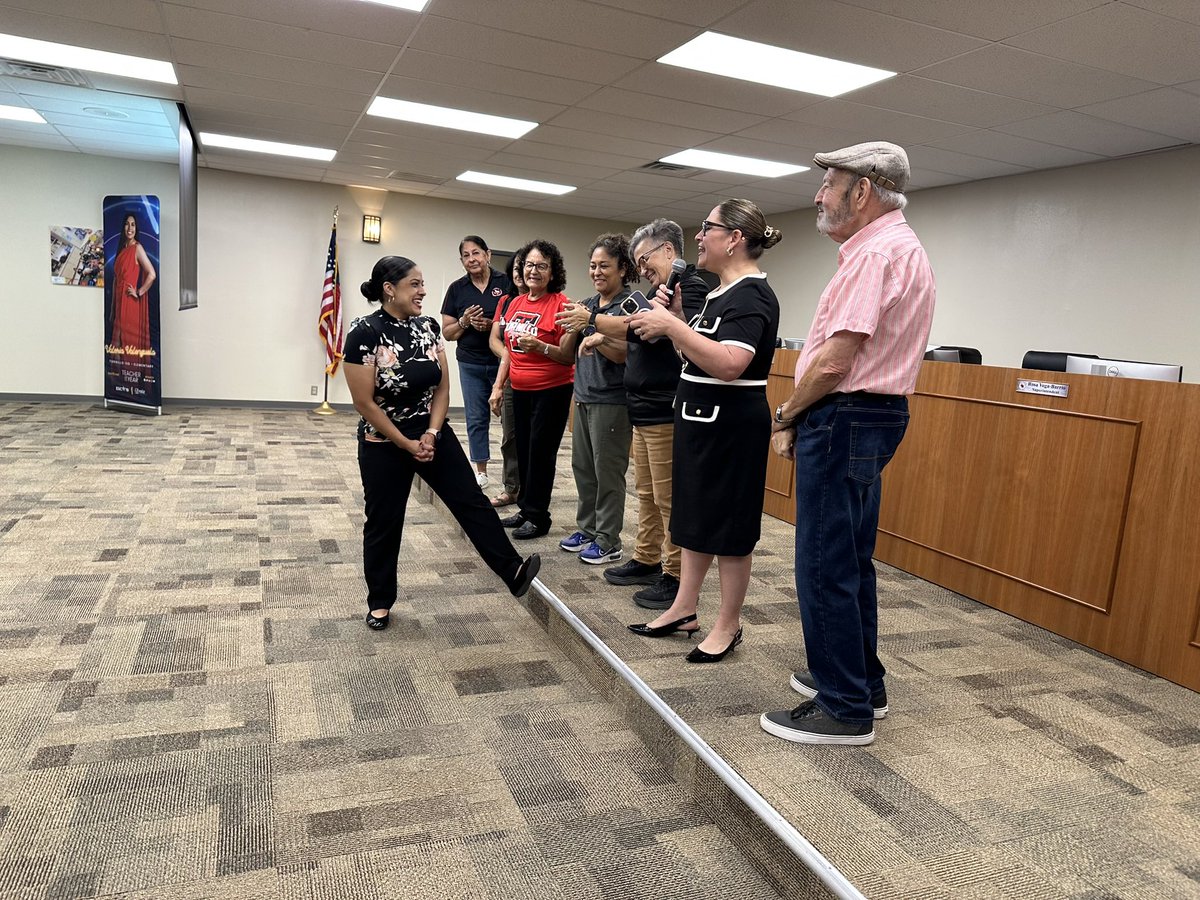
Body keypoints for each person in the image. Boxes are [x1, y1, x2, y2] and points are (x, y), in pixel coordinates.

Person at [759, 142, 936, 747]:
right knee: (850, 557)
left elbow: (835, 362)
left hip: (843, 416)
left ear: (861, 191)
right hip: (871, 417)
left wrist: (785, 414)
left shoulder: (874, 254)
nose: (818, 194)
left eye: (829, 183)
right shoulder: (901, 248)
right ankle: (863, 682)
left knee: (823, 561)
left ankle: (844, 708)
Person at [344, 255, 540, 630]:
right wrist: (405, 441)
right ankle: (380, 602)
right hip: (384, 440)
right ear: (390, 289)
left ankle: (512, 570)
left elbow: (443, 386)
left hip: (432, 433)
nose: (423, 291)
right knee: (384, 522)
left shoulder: (428, 326)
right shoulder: (364, 332)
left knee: (471, 501)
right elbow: (363, 402)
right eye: (414, 284)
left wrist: (432, 433)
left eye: (422, 283)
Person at [625, 200, 781, 663]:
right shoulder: (716, 294)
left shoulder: (753, 295)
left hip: (732, 429)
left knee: (729, 529)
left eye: (708, 228)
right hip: (696, 422)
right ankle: (683, 609)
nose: (697, 236)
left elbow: (731, 365)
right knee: (692, 521)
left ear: (733, 238)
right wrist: (677, 327)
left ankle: (728, 625)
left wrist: (673, 325)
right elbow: (695, 360)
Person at [557, 219, 708, 608]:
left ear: (669, 252)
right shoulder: (658, 290)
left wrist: (592, 321)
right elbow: (635, 329)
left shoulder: (688, 287)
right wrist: (596, 327)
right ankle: (646, 557)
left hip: (664, 409)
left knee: (668, 497)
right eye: (639, 262)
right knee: (647, 494)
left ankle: (674, 576)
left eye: (645, 259)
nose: (642, 269)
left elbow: (653, 331)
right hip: (641, 410)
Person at [554, 233, 635, 565]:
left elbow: (623, 354)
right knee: (583, 468)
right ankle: (587, 530)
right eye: (592, 266)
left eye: (605, 265)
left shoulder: (628, 306)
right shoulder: (587, 305)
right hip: (583, 397)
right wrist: (575, 327)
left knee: (608, 472)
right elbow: (566, 350)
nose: (597, 272)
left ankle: (608, 539)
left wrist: (595, 334)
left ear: (622, 269)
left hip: (612, 402)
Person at [488, 239, 577, 540]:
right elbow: (509, 351)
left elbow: (567, 356)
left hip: (552, 389)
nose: (533, 271)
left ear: (553, 272)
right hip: (521, 389)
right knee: (523, 450)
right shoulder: (516, 303)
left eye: (541, 266)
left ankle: (539, 517)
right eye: (529, 265)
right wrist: (499, 386)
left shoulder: (562, 306)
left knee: (541, 453)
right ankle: (526, 508)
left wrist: (541, 347)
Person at [440, 236, 516, 489]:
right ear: (462, 260)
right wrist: (464, 322)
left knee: (511, 420)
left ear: (488, 254)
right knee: (476, 418)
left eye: (476, 253)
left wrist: (492, 326)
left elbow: (518, 320)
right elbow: (447, 333)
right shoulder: (457, 289)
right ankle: (481, 471)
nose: (472, 259)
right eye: (466, 255)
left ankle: (513, 473)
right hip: (470, 364)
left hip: (503, 363)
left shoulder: (506, 283)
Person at [487, 252, 525, 509]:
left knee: (534, 438)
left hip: (539, 379)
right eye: (518, 267)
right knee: (509, 435)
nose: (523, 272)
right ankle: (512, 488)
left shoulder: (548, 300)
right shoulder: (506, 302)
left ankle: (532, 489)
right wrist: (509, 356)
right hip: (511, 376)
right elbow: (494, 339)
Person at [109, 212, 156, 350]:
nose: (130, 228)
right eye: (127, 224)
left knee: (125, 344)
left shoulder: (137, 248)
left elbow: (152, 274)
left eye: (133, 225)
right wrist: (112, 310)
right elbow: (115, 280)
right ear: (123, 227)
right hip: (118, 300)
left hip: (130, 301)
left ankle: (131, 370)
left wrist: (139, 292)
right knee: (115, 345)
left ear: (136, 228)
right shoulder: (122, 248)